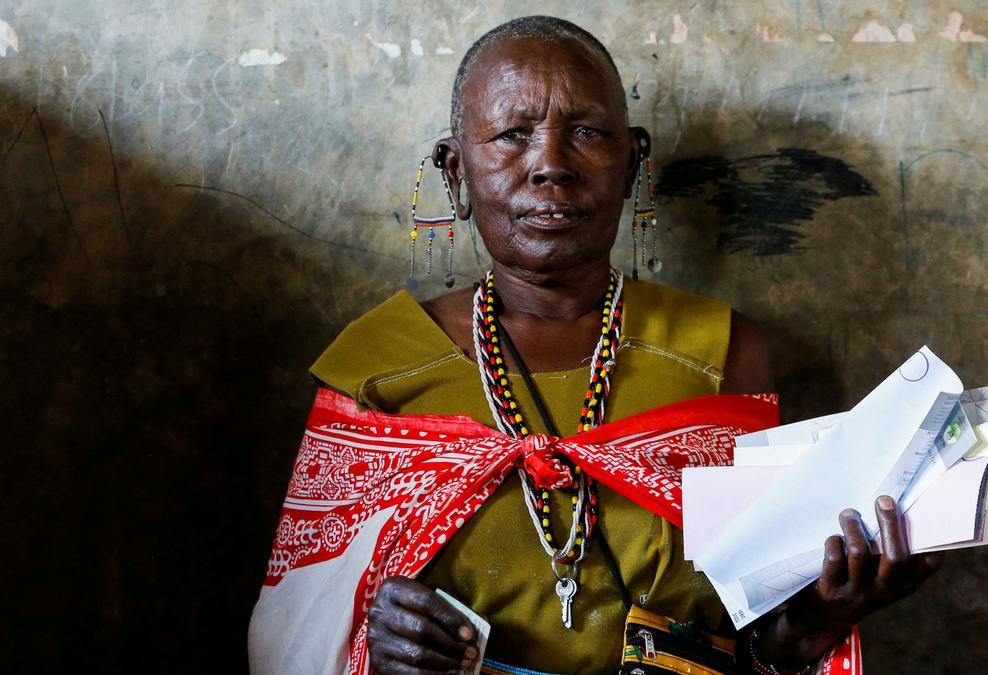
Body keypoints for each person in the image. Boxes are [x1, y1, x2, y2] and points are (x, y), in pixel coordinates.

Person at [250, 15, 940, 675]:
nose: (551, 165)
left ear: (633, 162)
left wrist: (820, 615)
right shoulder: (376, 369)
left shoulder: (724, 355)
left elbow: (760, 642)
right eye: (512, 135)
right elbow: (298, 637)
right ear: (455, 172)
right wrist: (374, 640)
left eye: (585, 132)